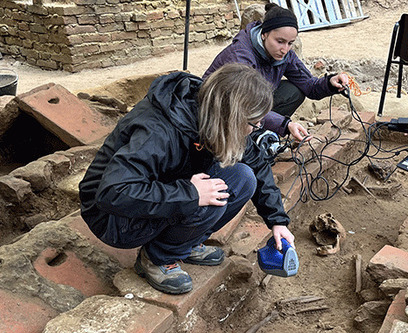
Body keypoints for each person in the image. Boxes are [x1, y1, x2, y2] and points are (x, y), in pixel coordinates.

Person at [79, 63, 295, 295]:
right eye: (254, 123)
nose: (257, 129)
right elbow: (113, 192)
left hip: (162, 186)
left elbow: (257, 163)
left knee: (244, 178)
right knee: (208, 198)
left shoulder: (213, 112)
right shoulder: (158, 130)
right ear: (232, 117)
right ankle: (156, 258)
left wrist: (277, 220)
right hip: (113, 218)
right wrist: (191, 194)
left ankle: (183, 243)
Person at [203, 3, 350, 142]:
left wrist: (330, 83)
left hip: (251, 106)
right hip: (219, 111)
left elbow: (309, 85)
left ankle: (259, 135)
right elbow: (242, 105)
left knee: (294, 91)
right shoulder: (240, 57)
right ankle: (243, 142)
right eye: (280, 41)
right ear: (264, 34)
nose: (285, 49)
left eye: (290, 43)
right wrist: (285, 125)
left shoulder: (285, 56)